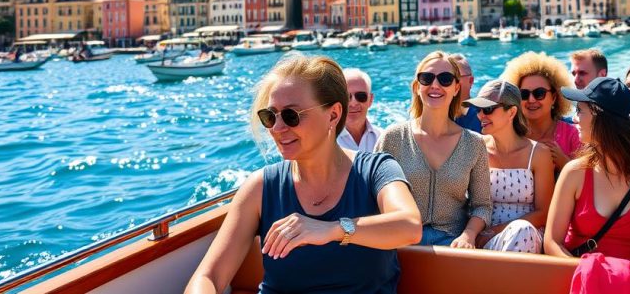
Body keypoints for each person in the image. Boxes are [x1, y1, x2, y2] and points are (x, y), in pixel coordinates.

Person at [185, 56, 421, 294]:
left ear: (333, 115)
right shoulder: (261, 187)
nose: (277, 128)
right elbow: (209, 276)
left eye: (291, 116)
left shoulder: (376, 170)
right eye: (270, 116)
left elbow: (409, 226)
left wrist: (331, 230)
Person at [544, 77, 630, 268]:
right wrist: (587, 275)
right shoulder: (574, 172)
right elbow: (551, 242)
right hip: (579, 279)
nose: (574, 118)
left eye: (579, 111)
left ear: (600, 118)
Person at [376, 51, 492, 247]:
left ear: (457, 88)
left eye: (445, 79)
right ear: (416, 87)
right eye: (427, 78)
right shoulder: (392, 138)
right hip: (399, 242)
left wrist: (467, 236)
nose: (435, 85)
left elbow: (482, 206)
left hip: (452, 243)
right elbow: (372, 195)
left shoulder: (475, 144)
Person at [465, 79, 554, 253]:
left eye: (488, 109)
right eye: (479, 109)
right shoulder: (475, 147)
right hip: (482, 236)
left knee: (522, 230)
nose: (480, 115)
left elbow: (544, 212)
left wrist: (495, 231)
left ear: (512, 112)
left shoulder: (538, 153)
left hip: (528, 235)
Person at [501, 52, 581, 173]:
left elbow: (589, 182)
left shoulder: (573, 135)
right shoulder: (509, 135)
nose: (531, 100)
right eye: (524, 94)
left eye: (539, 93)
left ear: (554, 97)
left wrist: (564, 162)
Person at [337, 68, 383, 152]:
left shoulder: (383, 138)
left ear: (370, 100)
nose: (353, 103)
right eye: (347, 97)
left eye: (361, 96)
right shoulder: (324, 140)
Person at [449, 53, 481, 133]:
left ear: (471, 81)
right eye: (446, 78)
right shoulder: (437, 114)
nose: (450, 82)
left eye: (456, 77)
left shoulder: (482, 115)